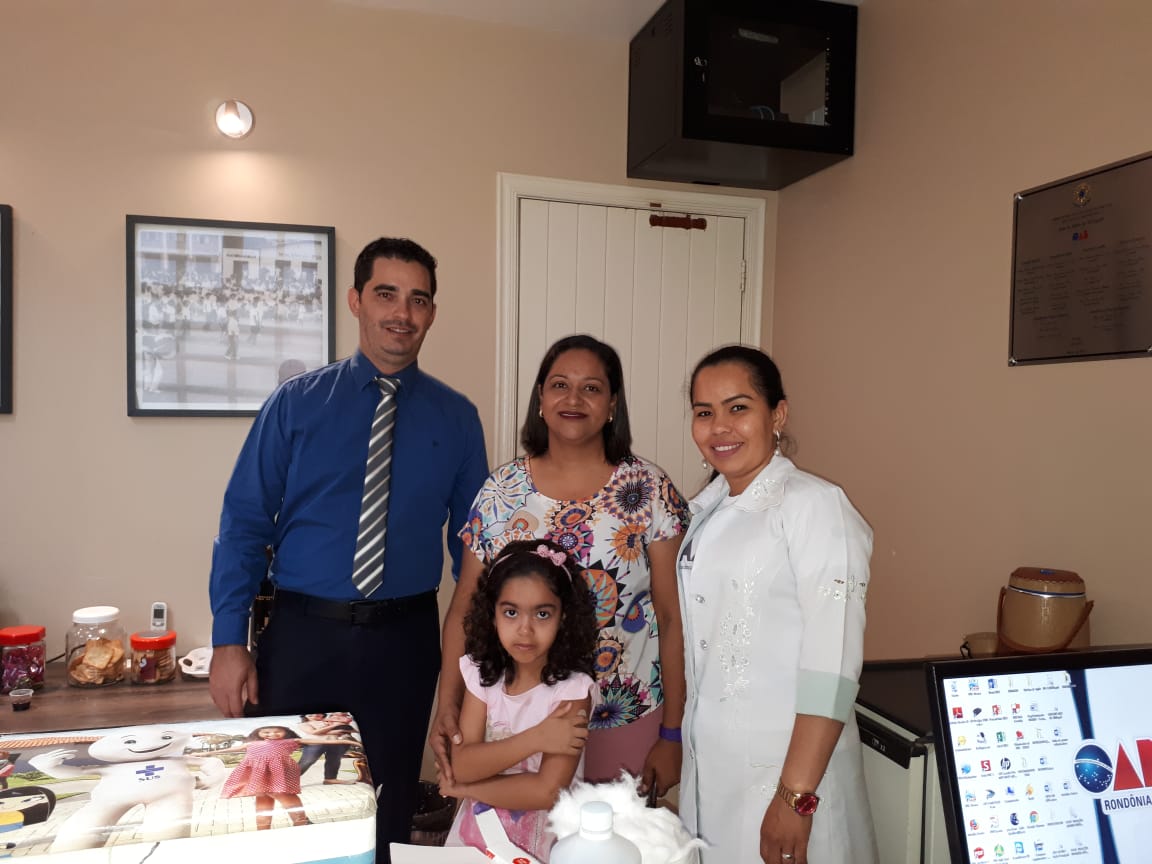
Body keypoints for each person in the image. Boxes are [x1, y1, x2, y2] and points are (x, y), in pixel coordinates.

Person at [208, 237, 490, 861]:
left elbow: (473, 554)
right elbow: (244, 523)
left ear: (432, 313)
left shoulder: (457, 419)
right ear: (356, 300)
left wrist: (474, 668)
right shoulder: (296, 404)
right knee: (285, 799)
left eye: (418, 300)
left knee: (385, 804)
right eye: (386, 294)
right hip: (303, 638)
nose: (402, 313)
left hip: (404, 643)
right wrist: (229, 640)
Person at [432, 335, 689, 799]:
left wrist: (673, 733)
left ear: (613, 404)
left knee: (615, 837)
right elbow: (464, 610)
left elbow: (673, 619)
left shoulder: (649, 490)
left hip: (623, 712)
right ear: (540, 397)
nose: (573, 399)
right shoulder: (501, 492)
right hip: (512, 722)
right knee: (516, 835)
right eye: (560, 385)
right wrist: (447, 702)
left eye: (591, 388)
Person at [677, 345, 877, 864]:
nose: (719, 427)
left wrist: (795, 797)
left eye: (738, 408)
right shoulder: (708, 508)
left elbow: (832, 668)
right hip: (714, 771)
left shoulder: (814, 507)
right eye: (704, 412)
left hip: (788, 775)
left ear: (777, 415)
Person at [439, 539, 598, 861]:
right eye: (511, 612)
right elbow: (462, 766)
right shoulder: (482, 677)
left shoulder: (572, 692)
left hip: (546, 843)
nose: (525, 630)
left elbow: (546, 792)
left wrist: (467, 790)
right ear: (492, 615)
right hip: (476, 840)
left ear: (564, 617)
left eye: (542, 614)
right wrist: (537, 738)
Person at [219, 725, 319, 829]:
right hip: (260, 774)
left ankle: (300, 822)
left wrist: (331, 741)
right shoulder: (253, 744)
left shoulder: (287, 742)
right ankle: (264, 827)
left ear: (285, 732)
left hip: (278, 773)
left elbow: (312, 741)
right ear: (258, 733)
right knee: (265, 798)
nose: (272, 734)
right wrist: (210, 753)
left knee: (281, 795)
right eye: (266, 732)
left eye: (277, 731)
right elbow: (234, 749)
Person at [294, 712, 355, 785]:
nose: (315, 714)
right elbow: (314, 732)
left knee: (334, 760)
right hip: (315, 743)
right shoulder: (303, 724)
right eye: (310, 714)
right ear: (305, 715)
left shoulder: (329, 721)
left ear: (323, 714)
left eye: (318, 713)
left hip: (333, 742)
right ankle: (287, 780)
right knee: (307, 761)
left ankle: (330, 779)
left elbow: (342, 731)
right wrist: (335, 726)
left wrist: (335, 729)